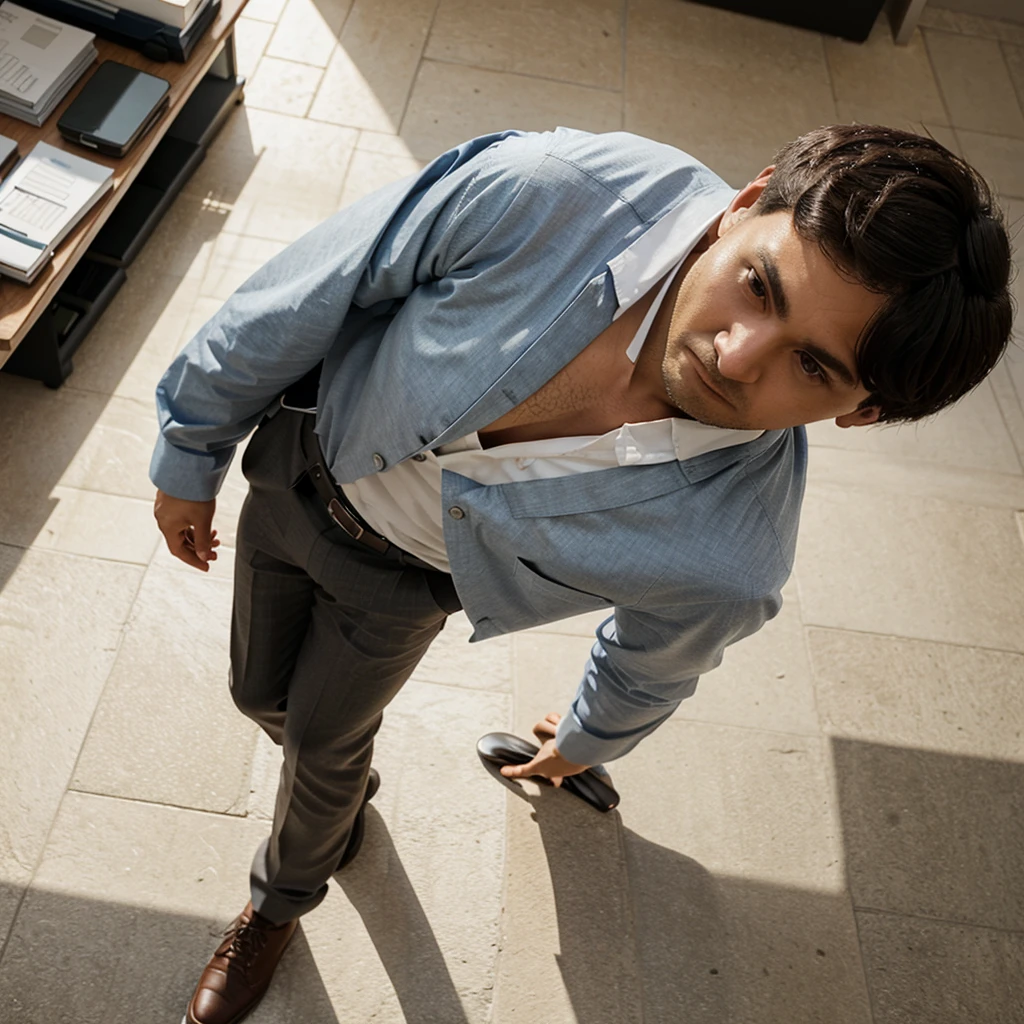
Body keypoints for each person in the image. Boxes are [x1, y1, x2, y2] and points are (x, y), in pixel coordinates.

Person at [151, 123, 1012, 1024]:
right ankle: (335, 787)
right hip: (293, 465)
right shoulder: (549, 187)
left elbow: (658, 659)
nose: (737, 354)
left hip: (400, 588)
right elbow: (312, 292)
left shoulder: (731, 557)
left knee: (321, 746)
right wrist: (189, 449)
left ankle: (281, 899)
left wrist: (587, 741)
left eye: (811, 365)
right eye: (759, 286)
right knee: (259, 695)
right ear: (746, 204)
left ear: (863, 412)